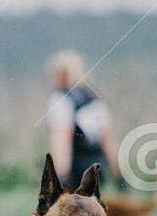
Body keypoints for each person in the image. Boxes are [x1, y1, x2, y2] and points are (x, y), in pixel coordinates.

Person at [45, 50, 119, 191]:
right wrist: (119, 178)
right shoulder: (95, 100)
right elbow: (109, 143)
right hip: (96, 174)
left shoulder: (60, 100)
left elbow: (61, 143)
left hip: (74, 176)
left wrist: (60, 180)